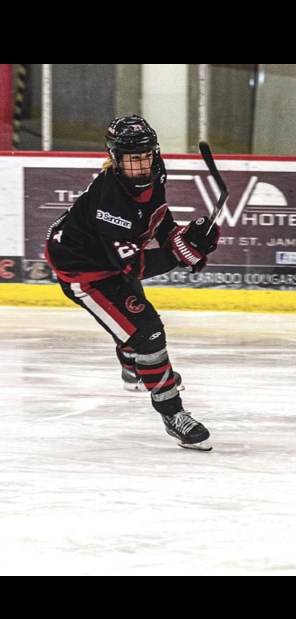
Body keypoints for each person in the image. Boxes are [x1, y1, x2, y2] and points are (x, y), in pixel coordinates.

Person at [44, 114, 221, 451]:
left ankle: (134, 366)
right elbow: (134, 266)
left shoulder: (153, 174)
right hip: (84, 273)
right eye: (131, 159)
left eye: (145, 156)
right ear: (115, 158)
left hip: (109, 263)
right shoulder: (110, 201)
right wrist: (180, 254)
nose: (141, 165)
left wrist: (182, 237)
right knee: (148, 332)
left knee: (136, 330)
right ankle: (173, 414)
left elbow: (157, 217)